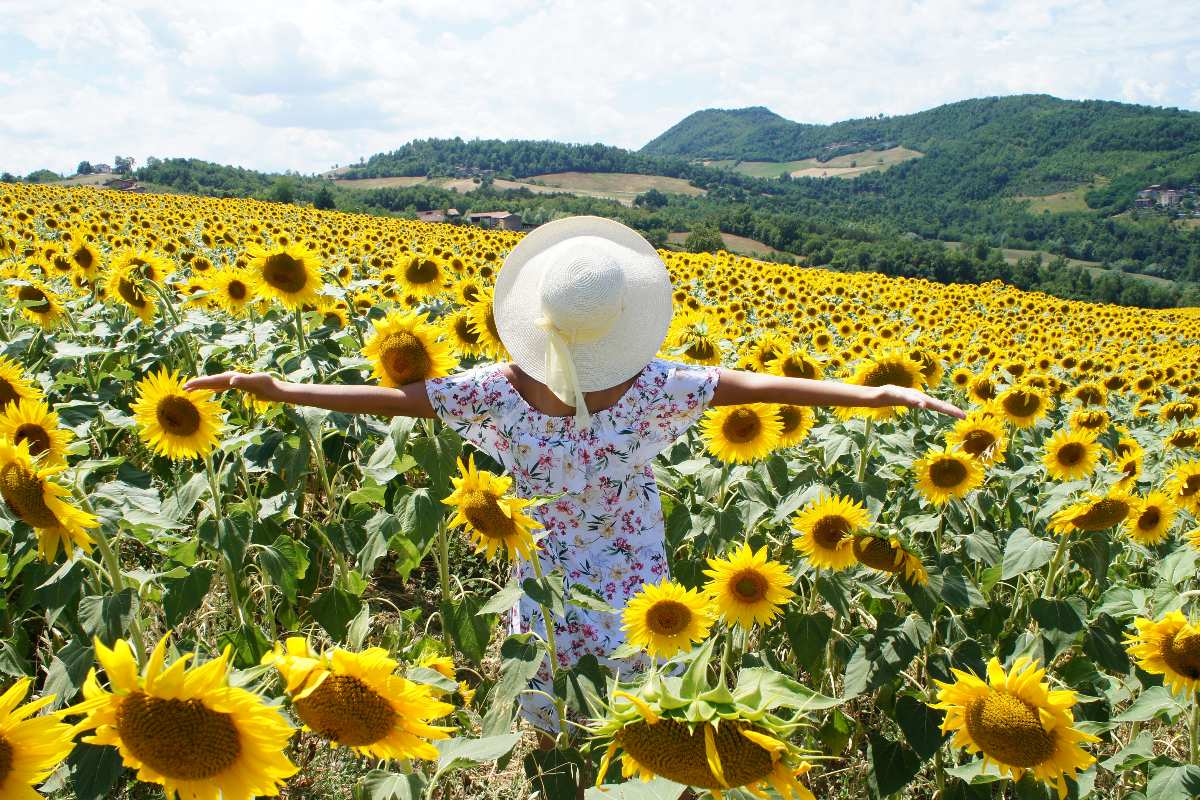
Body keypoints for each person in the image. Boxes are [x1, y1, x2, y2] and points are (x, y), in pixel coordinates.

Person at [186, 215, 964, 742]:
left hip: (547, 578)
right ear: (622, 321)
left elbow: (395, 401)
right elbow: (767, 387)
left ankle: (556, 760)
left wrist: (283, 389)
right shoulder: (658, 386)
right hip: (636, 583)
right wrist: (877, 394)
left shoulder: (496, 389)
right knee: (643, 708)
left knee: (550, 684)